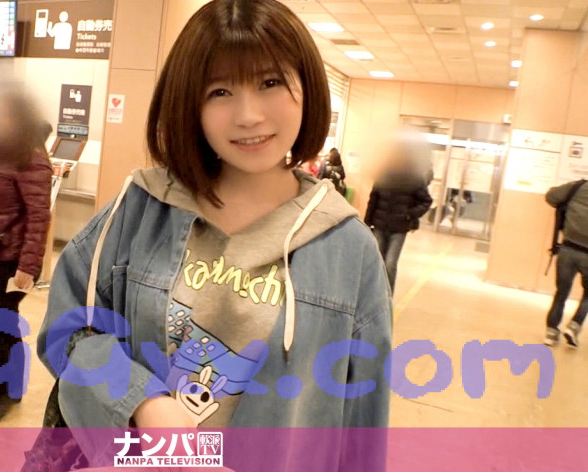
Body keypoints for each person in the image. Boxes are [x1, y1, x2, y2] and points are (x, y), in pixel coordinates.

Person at [37, 0, 392, 468]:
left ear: (306, 86)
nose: (249, 115)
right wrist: (141, 400)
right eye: (220, 91)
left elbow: (362, 425)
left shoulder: (347, 249)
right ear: (190, 104)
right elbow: (68, 329)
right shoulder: (139, 210)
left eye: (270, 82)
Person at [0, 93, 52, 423]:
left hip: (13, 260)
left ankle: (10, 387)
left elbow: (38, 216)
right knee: (3, 325)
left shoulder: (31, 157)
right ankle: (9, 389)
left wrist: (28, 266)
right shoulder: (0, 150)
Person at [364, 156, 433, 294]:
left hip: (399, 228)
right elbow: (373, 200)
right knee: (377, 261)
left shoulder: (414, 178)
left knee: (390, 263)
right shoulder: (383, 175)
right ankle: (373, 294)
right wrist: (367, 223)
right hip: (379, 224)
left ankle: (387, 296)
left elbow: (426, 201)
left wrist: (410, 214)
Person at [544, 180, 588, 348]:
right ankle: (574, 326)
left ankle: (551, 333)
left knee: (561, 292)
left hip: (568, 249)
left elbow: (551, 196)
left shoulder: (578, 187)